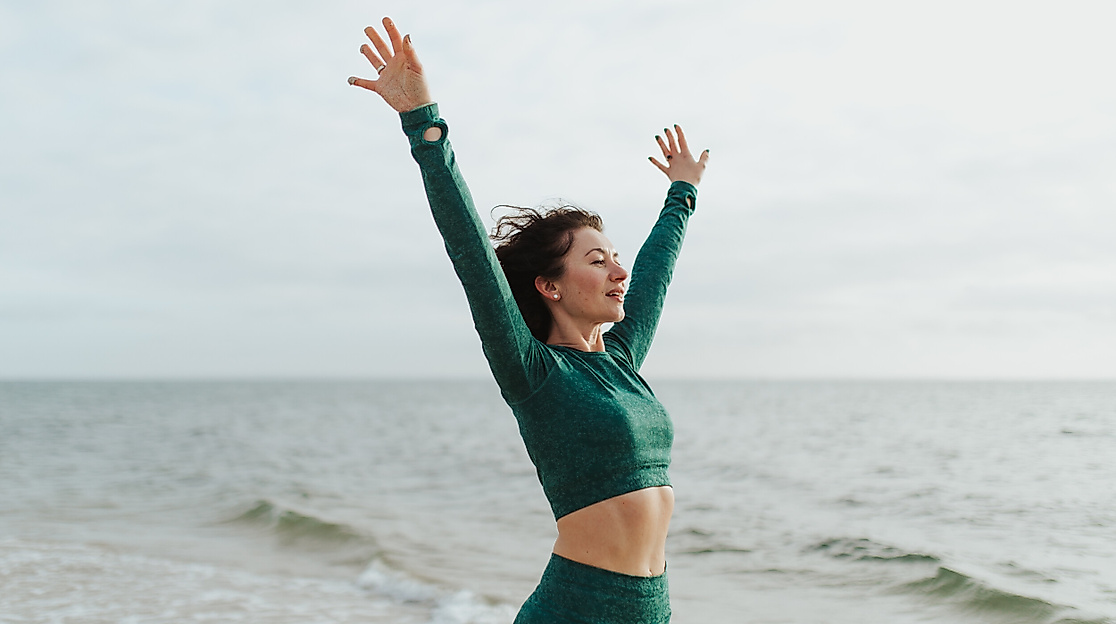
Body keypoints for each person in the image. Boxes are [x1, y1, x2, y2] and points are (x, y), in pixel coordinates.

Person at [349, 17, 709, 624]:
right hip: (577, 608)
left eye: (614, 258)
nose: (618, 272)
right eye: (597, 261)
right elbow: (471, 253)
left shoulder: (621, 361)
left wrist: (682, 194)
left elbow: (654, 275)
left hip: (652, 608)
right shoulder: (534, 372)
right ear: (549, 286)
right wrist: (423, 123)